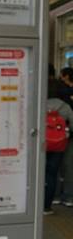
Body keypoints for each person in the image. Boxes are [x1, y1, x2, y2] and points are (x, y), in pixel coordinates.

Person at [45, 78, 73, 214]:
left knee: (40, 173)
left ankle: (38, 201)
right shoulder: (65, 106)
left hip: (41, 143)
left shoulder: (38, 103)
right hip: (60, 143)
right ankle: (50, 203)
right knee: (53, 172)